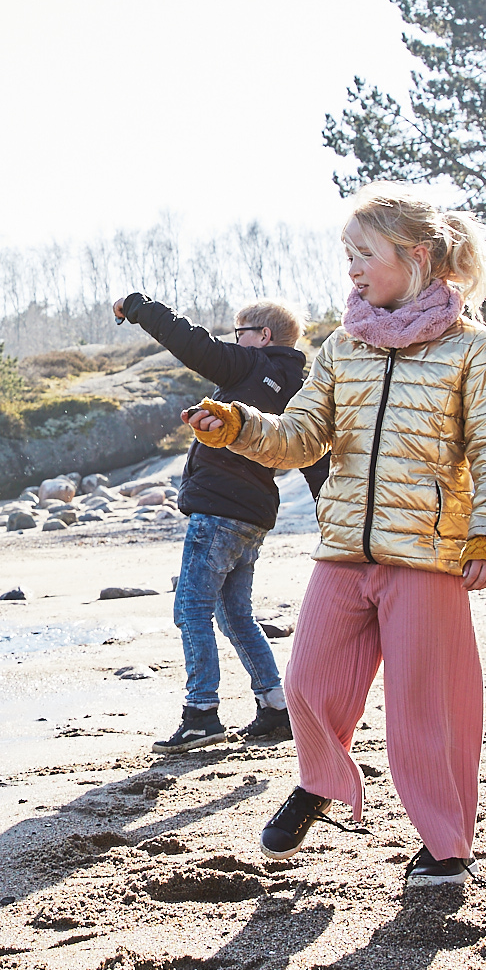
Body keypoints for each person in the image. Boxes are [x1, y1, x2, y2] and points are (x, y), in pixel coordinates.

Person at [185, 182, 486, 888]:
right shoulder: (342, 348)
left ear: (417, 256)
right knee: (306, 681)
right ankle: (320, 782)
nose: (353, 269)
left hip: (429, 557)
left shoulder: (471, 350)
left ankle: (444, 846)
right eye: (347, 256)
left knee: (428, 708)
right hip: (343, 551)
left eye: (364, 254)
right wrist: (242, 426)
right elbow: (302, 437)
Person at [110, 293, 328, 752]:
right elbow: (315, 457)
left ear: (262, 337)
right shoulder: (298, 387)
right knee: (235, 616)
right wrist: (332, 517)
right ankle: (275, 707)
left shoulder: (249, 367)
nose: (233, 341)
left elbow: (192, 344)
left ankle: (201, 713)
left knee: (190, 609)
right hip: (253, 519)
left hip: (218, 512)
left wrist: (137, 306)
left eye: (239, 333)